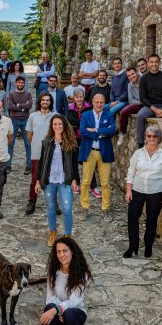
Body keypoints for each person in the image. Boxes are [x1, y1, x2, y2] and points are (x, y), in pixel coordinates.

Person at [40, 236, 91, 325]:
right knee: (48, 308)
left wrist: (58, 310)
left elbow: (75, 300)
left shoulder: (83, 274)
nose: (61, 255)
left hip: (76, 315)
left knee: (68, 313)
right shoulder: (53, 272)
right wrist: (56, 311)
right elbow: (51, 298)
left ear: (72, 251)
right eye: (58, 252)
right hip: (59, 315)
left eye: (65, 251)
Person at [124, 126, 162, 258]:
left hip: (156, 192)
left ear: (159, 139)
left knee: (152, 219)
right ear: (145, 138)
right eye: (149, 136)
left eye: (154, 136)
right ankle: (133, 247)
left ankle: (148, 246)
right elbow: (131, 171)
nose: (152, 139)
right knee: (132, 218)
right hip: (137, 190)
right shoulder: (138, 153)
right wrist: (128, 190)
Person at [36, 115, 80, 246]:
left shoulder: (72, 143)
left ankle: (67, 235)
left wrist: (75, 180)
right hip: (49, 180)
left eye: (60, 124)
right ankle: (53, 232)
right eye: (55, 124)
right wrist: (38, 180)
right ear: (52, 126)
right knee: (51, 207)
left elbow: (74, 164)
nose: (57, 126)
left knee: (66, 208)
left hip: (65, 180)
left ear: (64, 125)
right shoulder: (46, 142)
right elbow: (42, 163)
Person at [79, 93, 116, 212]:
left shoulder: (109, 114)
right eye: (97, 102)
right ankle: (84, 207)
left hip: (105, 152)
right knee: (85, 182)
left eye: (101, 102)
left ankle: (105, 207)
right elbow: (83, 132)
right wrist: (101, 133)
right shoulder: (85, 115)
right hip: (89, 152)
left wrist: (95, 130)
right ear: (92, 103)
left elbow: (112, 131)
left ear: (104, 103)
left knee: (105, 183)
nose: (99, 104)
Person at [25, 93, 55, 215]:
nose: (45, 102)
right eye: (43, 100)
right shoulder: (33, 116)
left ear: (50, 102)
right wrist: (37, 144)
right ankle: (31, 202)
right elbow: (29, 135)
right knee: (34, 179)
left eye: (47, 100)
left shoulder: (55, 116)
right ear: (40, 102)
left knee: (52, 180)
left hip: (52, 154)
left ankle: (53, 203)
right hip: (36, 153)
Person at [136, 54, 162, 148]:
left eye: (156, 62)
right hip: (150, 107)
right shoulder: (143, 78)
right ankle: (140, 145)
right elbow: (142, 98)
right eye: (151, 62)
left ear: (159, 63)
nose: (154, 64)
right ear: (148, 63)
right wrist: (155, 110)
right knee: (140, 116)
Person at [67, 90, 98, 197]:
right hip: (74, 138)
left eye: (81, 97)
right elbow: (70, 121)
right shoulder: (70, 109)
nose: (79, 99)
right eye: (77, 97)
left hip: (86, 138)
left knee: (89, 161)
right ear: (74, 98)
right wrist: (84, 124)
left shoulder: (89, 108)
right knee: (74, 161)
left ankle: (93, 186)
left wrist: (81, 124)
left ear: (83, 97)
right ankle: (77, 184)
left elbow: (91, 122)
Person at [6, 75, 33, 172]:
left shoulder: (28, 94)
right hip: (14, 120)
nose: (20, 84)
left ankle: (29, 166)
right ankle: (8, 165)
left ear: (24, 83)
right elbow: (10, 106)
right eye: (19, 82)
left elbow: (29, 105)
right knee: (10, 143)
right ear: (15, 83)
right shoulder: (11, 94)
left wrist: (17, 105)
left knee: (28, 143)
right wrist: (23, 107)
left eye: (22, 82)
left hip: (25, 120)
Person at [116, 67, 143, 146]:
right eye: (129, 76)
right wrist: (140, 102)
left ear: (137, 73)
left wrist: (143, 102)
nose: (131, 76)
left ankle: (140, 141)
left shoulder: (144, 81)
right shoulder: (130, 85)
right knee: (124, 111)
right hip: (137, 104)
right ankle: (122, 133)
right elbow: (131, 100)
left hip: (147, 104)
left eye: (133, 74)